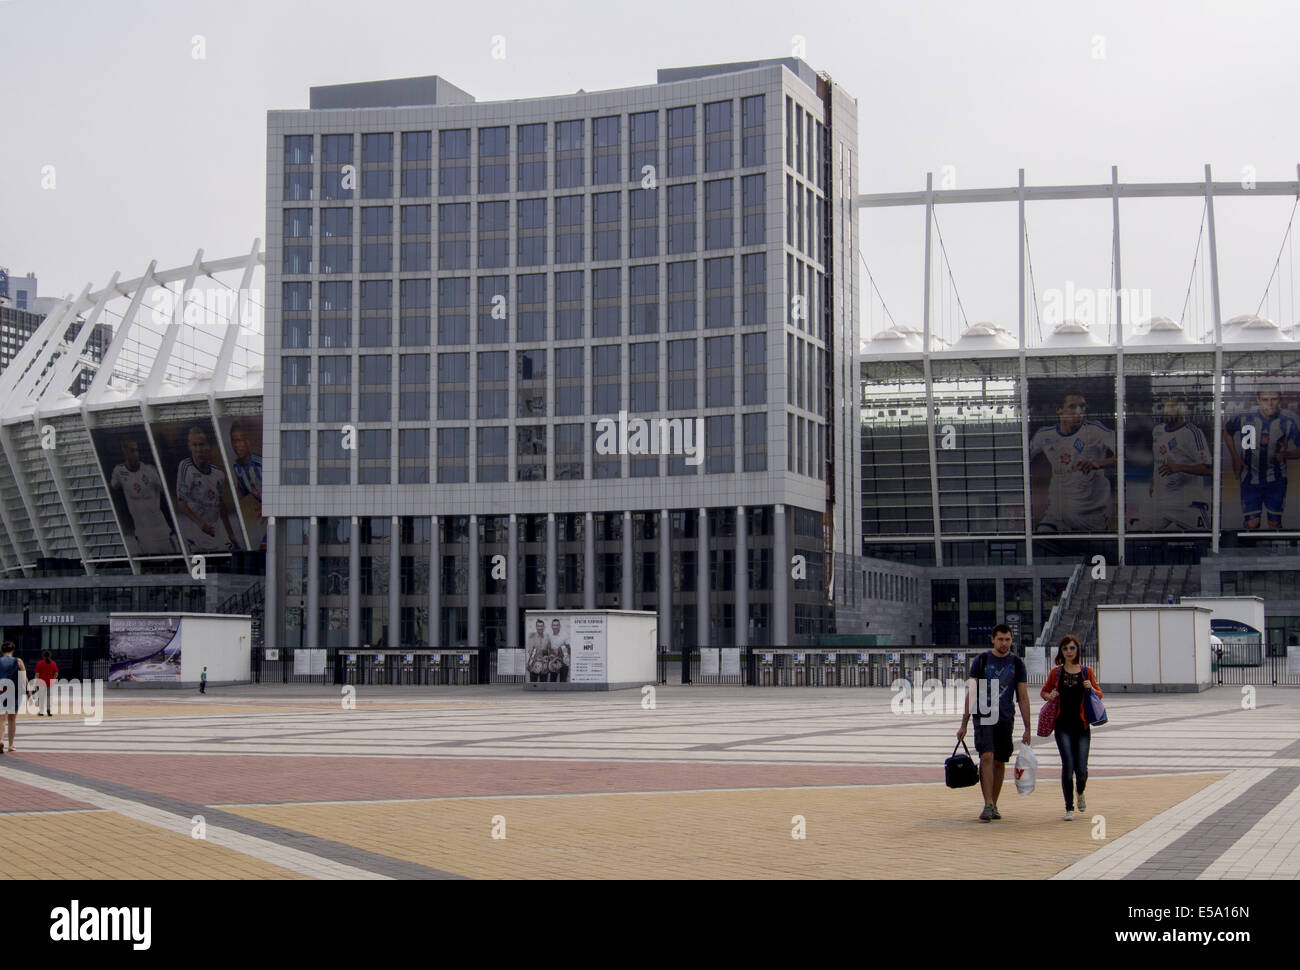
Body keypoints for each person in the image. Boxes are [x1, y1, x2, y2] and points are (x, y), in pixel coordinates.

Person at [957, 624, 1031, 822]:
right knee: (987, 756)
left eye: (1007, 639)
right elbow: (971, 692)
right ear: (993, 639)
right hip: (983, 716)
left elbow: (1022, 697)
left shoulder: (1016, 663)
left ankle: (994, 804)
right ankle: (988, 803)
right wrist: (963, 723)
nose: (1004, 643)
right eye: (1000, 639)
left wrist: (1028, 727)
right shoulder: (981, 661)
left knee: (999, 761)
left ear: (1011, 640)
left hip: (1005, 717)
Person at [1029, 390, 1116, 533]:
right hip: (1058, 513)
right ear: (1059, 410)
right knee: (1043, 535)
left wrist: (1098, 464)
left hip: (1091, 516)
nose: (1078, 412)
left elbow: (1124, 454)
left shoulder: (1096, 431)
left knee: (1091, 553)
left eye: (1082, 407)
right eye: (1072, 406)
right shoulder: (1044, 435)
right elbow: (1022, 459)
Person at [1040, 635, 1103, 821]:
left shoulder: (1086, 671)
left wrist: (1091, 687)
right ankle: (1069, 807)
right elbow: (1044, 692)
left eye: (1072, 648)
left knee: (1081, 769)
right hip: (1062, 726)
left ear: (1077, 650)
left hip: (1082, 726)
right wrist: (1049, 695)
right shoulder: (1056, 673)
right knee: (1068, 766)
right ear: (1062, 651)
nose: (1069, 651)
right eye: (1065, 648)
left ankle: (1080, 792)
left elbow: (1099, 694)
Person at [1223, 388, 1300, 530]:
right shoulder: (1245, 416)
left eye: (1274, 399)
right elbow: (1227, 431)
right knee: (1252, 524)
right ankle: (1249, 551)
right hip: (1250, 477)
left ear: (1280, 400)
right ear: (1258, 400)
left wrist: (1286, 454)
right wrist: (1235, 457)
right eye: (1265, 399)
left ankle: (1276, 551)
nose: (1269, 404)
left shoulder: (1289, 419)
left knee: (1274, 524)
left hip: (1276, 479)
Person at [1144, 392, 1212, 531]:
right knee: (1140, 534)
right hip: (1160, 501)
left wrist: (1179, 467)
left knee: (1204, 538)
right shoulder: (1157, 431)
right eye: (1164, 406)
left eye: (1172, 406)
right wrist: (1153, 480)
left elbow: (1209, 469)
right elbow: (1158, 460)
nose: (1167, 410)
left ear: (1183, 408)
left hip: (1186, 502)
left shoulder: (1193, 433)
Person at [176, 426, 242, 554]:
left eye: (201, 445)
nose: (198, 449)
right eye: (194, 445)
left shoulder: (218, 474)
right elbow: (181, 502)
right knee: (201, 569)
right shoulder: (186, 467)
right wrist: (201, 524)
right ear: (189, 447)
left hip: (214, 529)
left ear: (208, 447)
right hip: (196, 529)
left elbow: (221, 504)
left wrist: (231, 534)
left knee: (229, 557)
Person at [109, 438, 178, 556]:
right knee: (155, 562)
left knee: (175, 559)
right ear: (125, 452)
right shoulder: (119, 471)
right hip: (142, 531)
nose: (136, 453)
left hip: (160, 528)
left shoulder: (149, 471)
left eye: (137, 450)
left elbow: (166, 491)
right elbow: (112, 487)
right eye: (132, 450)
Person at [228, 422, 266, 550]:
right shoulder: (237, 467)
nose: (236, 445)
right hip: (262, 520)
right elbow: (243, 491)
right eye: (234, 441)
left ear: (248, 442)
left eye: (240, 440)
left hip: (276, 517)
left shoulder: (261, 464)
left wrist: (270, 504)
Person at [0, 641, 27, 753]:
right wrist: (29, 691)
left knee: (1, 719)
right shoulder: (18, 661)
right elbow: (24, 677)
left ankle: (0, 741)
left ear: (2, 650)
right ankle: (11, 745)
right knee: (12, 719)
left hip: (1, 691)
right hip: (14, 692)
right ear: (13, 650)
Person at [34, 650, 58, 716]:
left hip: (42, 682)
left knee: (41, 697)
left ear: (43, 656)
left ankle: (41, 712)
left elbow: (37, 674)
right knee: (49, 697)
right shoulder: (53, 663)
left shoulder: (40, 663)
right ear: (50, 656)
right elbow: (56, 673)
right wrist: (53, 679)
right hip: (50, 682)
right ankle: (49, 710)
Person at [525, 619, 550, 684]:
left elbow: (548, 649)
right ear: (536, 627)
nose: (540, 628)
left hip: (544, 665)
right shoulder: (532, 636)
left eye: (541, 626)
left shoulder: (547, 637)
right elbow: (530, 651)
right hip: (534, 664)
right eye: (538, 626)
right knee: (533, 684)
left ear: (544, 627)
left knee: (543, 684)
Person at [549, 618, 571, 683]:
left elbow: (569, 648)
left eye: (557, 625)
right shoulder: (549, 636)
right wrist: (552, 651)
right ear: (551, 626)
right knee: (552, 681)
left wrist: (559, 650)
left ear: (559, 626)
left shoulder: (565, 635)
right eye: (554, 625)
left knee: (563, 682)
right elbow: (548, 648)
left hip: (564, 662)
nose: (555, 627)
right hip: (553, 662)